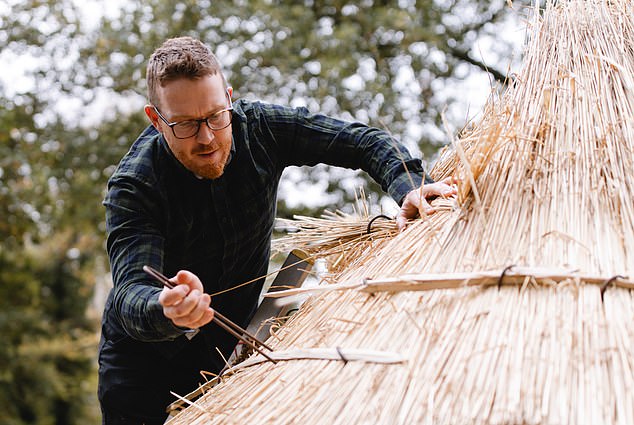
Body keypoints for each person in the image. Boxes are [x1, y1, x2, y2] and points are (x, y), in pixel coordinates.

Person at [98, 36, 457, 424]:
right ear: (156, 119)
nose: (206, 138)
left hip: (227, 352)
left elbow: (363, 141)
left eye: (217, 116)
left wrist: (410, 185)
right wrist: (167, 309)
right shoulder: (136, 186)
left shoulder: (263, 129)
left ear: (229, 98)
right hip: (141, 374)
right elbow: (130, 293)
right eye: (185, 125)